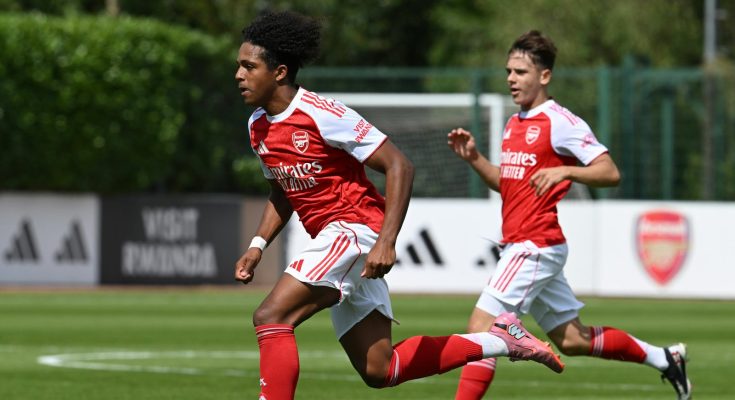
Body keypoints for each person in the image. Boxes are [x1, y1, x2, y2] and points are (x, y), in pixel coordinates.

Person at [234, 11, 564, 400]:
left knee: (271, 316)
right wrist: (257, 246)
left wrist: (385, 241)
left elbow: (399, 165)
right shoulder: (258, 126)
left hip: (353, 230)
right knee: (381, 369)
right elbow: (282, 191)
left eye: (248, 66)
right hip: (336, 239)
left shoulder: (321, 113)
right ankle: (501, 339)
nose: (239, 75)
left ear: (279, 72)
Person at [447, 30, 692, 400]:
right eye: (508, 71)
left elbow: (610, 172)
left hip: (533, 245)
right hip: (530, 245)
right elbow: (507, 183)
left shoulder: (560, 121)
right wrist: (474, 158)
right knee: (573, 339)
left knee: (481, 328)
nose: (511, 79)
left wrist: (566, 171)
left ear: (544, 75)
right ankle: (664, 358)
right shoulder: (515, 123)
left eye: (520, 72)